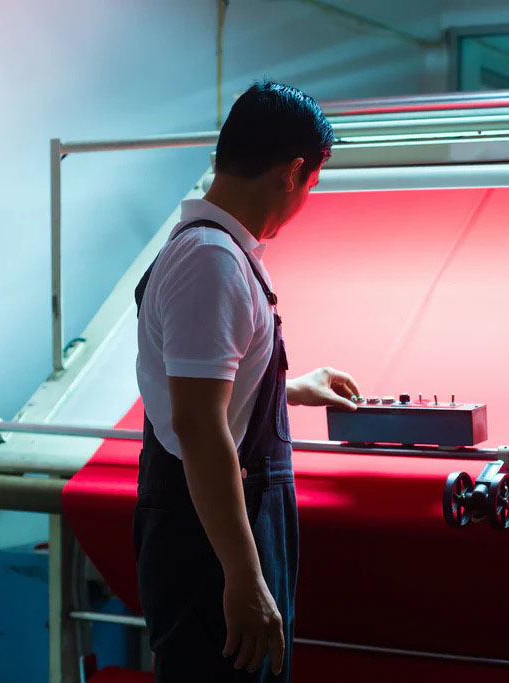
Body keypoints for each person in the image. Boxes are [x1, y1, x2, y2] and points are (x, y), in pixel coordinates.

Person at [133, 81, 360, 682]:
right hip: (207, 542)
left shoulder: (213, 252)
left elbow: (201, 390)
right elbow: (198, 424)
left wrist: (291, 386)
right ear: (293, 173)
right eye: (312, 183)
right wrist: (244, 574)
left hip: (208, 527)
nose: (305, 199)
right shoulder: (211, 261)